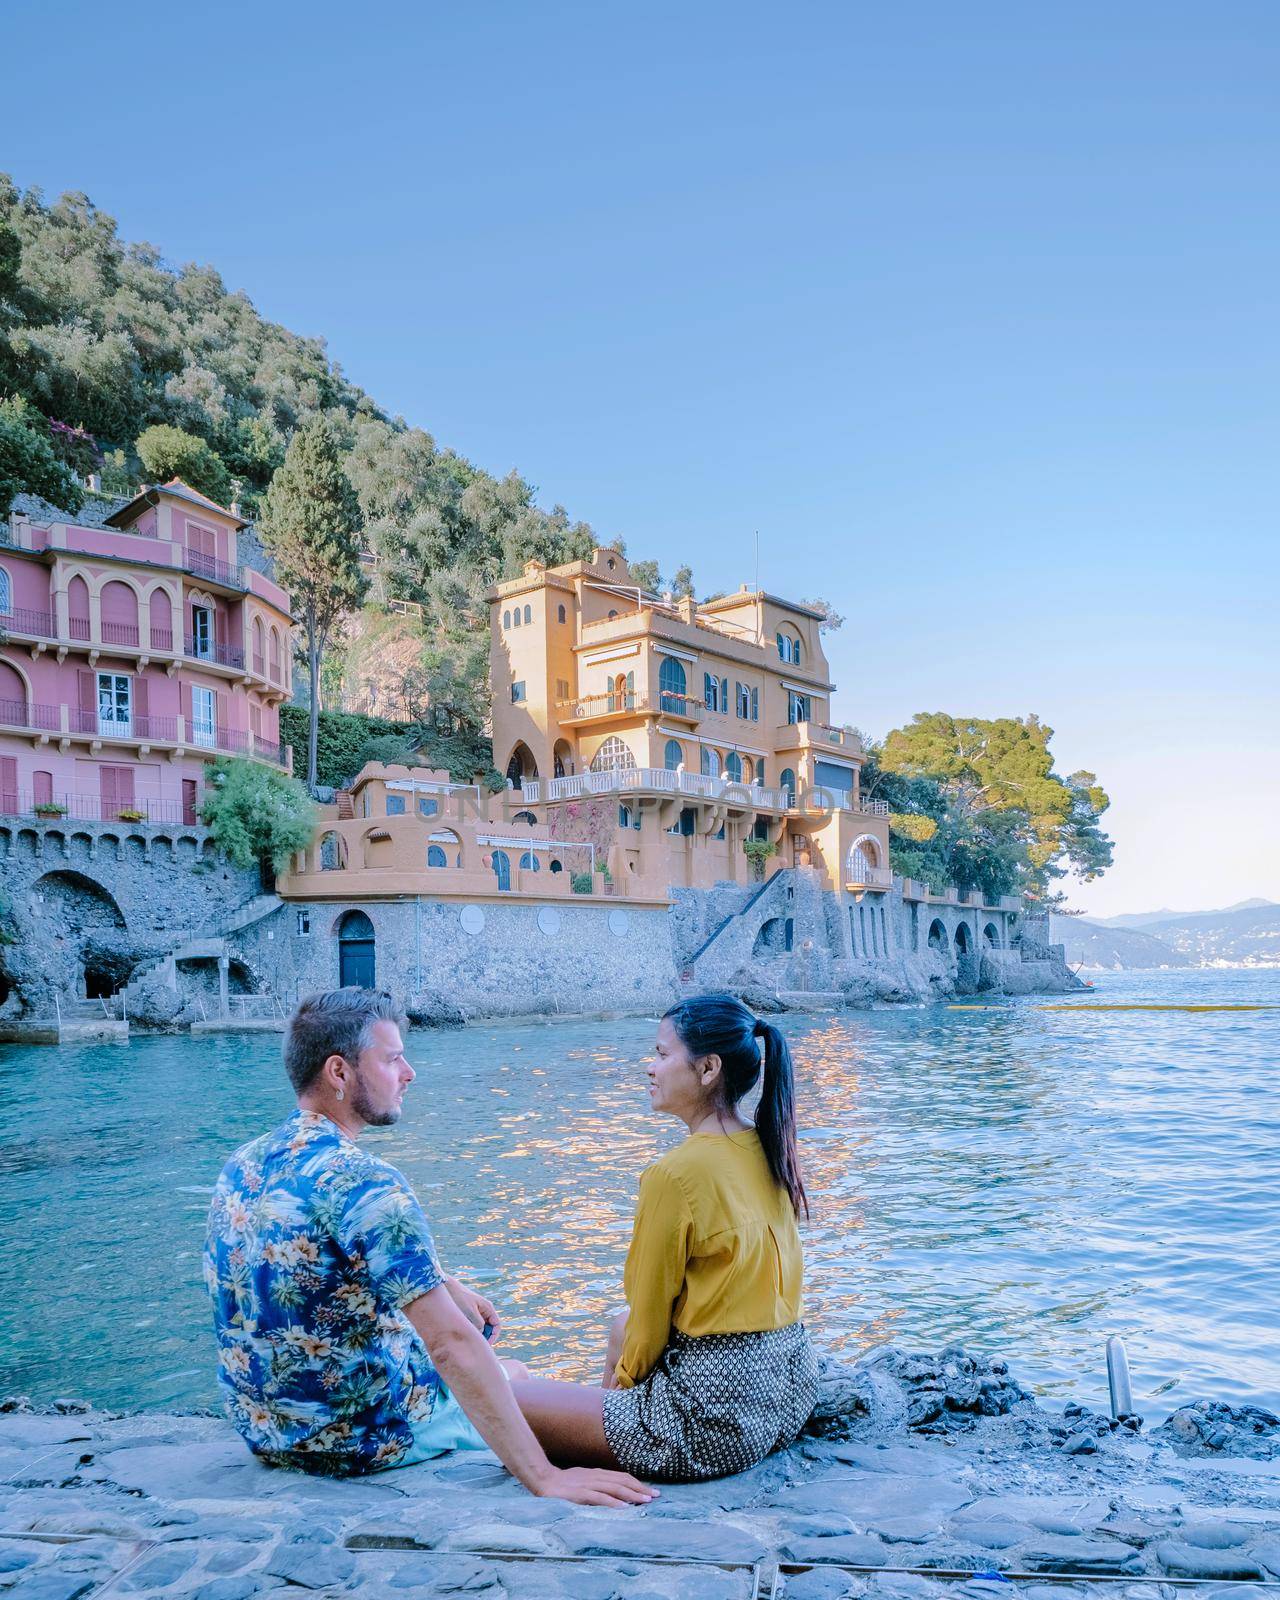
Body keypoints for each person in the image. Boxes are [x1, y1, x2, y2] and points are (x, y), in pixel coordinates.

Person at [203, 987, 654, 1506]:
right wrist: (547, 1479)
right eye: (393, 1059)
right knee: (524, 1382)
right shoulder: (367, 1182)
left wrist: (443, 1282)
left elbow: (314, 1262)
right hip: (358, 1439)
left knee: (508, 1374)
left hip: (271, 1432)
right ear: (339, 1072)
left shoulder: (243, 1164)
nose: (409, 1073)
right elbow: (451, 1345)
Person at [510, 993, 818, 1482]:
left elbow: (652, 1316)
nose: (650, 1068)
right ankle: (612, 1426)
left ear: (707, 1068)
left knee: (500, 1396)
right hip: (788, 1392)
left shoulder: (675, 1175)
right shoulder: (767, 1143)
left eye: (661, 1054)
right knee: (619, 1324)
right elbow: (639, 1325)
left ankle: (615, 1442)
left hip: (716, 1422)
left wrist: (621, 1408)